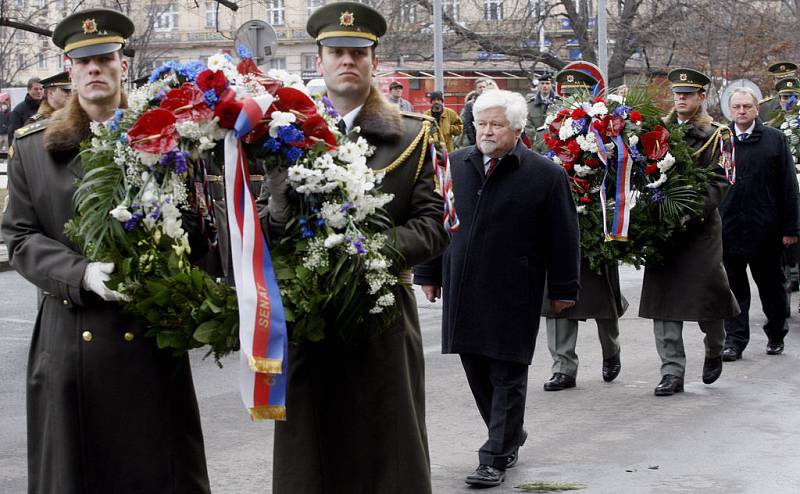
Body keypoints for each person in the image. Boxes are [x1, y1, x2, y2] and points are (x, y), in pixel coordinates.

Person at [1, 8, 211, 493]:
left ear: (122, 65)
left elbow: (201, 231)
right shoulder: (34, 148)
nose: (95, 69)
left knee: (159, 471)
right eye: (83, 61)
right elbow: (21, 238)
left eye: (105, 58)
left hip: (150, 338)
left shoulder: (170, 139)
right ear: (70, 71)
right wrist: (82, 274)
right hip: (73, 340)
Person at [266, 3, 450, 493]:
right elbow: (266, 229)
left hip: (382, 322)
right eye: (337, 52)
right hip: (310, 322)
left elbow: (436, 225)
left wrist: (368, 251)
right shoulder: (287, 136)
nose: (347, 61)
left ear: (374, 61)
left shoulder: (413, 135)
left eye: (358, 53)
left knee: (386, 454)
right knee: (312, 456)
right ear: (320, 60)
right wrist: (280, 204)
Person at [416, 89, 580, 487]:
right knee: (475, 366)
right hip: (463, 287)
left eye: (495, 124)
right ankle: (507, 434)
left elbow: (564, 237)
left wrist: (564, 288)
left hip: (514, 289)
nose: (486, 131)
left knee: (507, 371)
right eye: (481, 123)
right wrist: (429, 273)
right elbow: (435, 222)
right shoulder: (453, 164)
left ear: (518, 129)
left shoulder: (545, 174)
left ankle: (495, 455)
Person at [639, 68, 740, 396]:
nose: (680, 98)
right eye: (677, 93)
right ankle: (672, 371)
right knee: (664, 300)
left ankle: (715, 345)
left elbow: (722, 180)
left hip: (699, 229)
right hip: (662, 230)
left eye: (688, 93)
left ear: (701, 97)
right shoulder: (657, 131)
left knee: (707, 296)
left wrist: (686, 212)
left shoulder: (718, 134)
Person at [540, 68, 626, 392]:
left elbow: (620, 171)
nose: (571, 99)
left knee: (602, 297)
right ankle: (563, 366)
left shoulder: (608, 127)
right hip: (561, 219)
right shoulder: (552, 126)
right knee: (558, 296)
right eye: (567, 93)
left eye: (578, 93)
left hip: (597, 217)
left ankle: (611, 350)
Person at [720, 87, 800, 360]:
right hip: (729, 230)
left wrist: (791, 229)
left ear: (756, 109)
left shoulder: (774, 139)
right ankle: (734, 340)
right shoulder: (721, 140)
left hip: (765, 230)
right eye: (737, 107)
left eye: (747, 106)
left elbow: (788, 186)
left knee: (772, 288)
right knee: (733, 289)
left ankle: (776, 333)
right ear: (730, 110)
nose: (741, 111)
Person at [461, 77, 498, 146]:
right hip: (475, 139)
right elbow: (468, 124)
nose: (482, 89)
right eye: (480, 87)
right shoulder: (470, 105)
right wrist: (473, 141)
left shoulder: (493, 102)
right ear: (476, 89)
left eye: (484, 87)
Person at [7, 77, 43, 143]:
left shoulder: (48, 107)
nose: (39, 91)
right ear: (28, 90)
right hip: (27, 148)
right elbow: (12, 136)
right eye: (36, 89)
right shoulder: (18, 111)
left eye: (41, 89)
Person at [524, 73, 559, 141]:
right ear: (538, 85)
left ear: (551, 85)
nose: (544, 86)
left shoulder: (558, 103)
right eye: (542, 83)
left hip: (554, 142)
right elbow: (527, 123)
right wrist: (535, 137)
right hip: (536, 142)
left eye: (547, 83)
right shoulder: (530, 104)